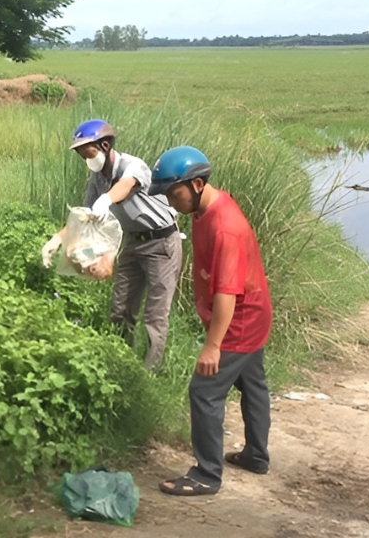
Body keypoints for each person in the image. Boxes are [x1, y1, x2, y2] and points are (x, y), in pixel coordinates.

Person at [147, 145, 273, 496]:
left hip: (239, 321)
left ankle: (206, 474)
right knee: (253, 386)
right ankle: (256, 456)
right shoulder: (204, 208)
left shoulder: (225, 227)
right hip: (252, 311)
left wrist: (213, 346)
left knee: (203, 393)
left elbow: (226, 294)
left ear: (198, 184)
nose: (172, 202)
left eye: (175, 193)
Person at [41, 120, 182, 369]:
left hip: (161, 243)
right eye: (81, 154)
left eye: (89, 152)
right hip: (131, 243)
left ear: (104, 145)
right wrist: (56, 240)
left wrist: (106, 200)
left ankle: (149, 373)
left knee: (155, 315)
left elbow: (126, 185)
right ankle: (122, 364)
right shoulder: (97, 179)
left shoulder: (132, 165)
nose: (86, 158)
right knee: (120, 310)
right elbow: (83, 214)